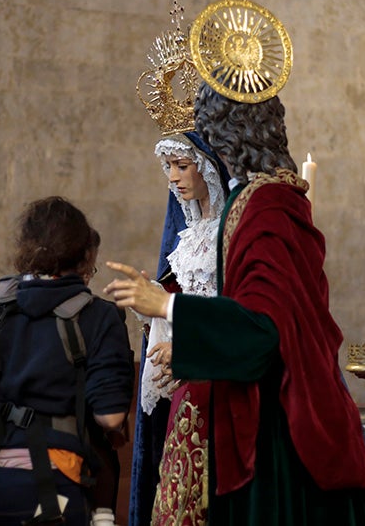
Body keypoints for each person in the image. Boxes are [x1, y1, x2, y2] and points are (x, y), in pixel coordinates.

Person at [106, 0, 365, 525]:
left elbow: (262, 329)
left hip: (276, 433)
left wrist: (168, 308)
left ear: (226, 131)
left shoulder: (266, 207)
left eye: (209, 127)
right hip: (259, 405)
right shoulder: (261, 199)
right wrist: (188, 344)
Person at [0, 196, 134, 526]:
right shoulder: (99, 314)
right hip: (48, 486)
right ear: (85, 253)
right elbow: (110, 417)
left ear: (26, 245)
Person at [146, 130, 230, 526]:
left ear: (209, 167)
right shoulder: (190, 236)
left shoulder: (229, 234)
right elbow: (182, 294)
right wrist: (152, 302)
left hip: (220, 376)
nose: (174, 178)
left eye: (182, 166)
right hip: (188, 380)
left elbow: (226, 311)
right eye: (169, 168)